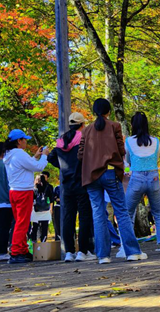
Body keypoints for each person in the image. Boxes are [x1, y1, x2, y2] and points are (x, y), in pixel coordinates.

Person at [79, 98, 146, 263]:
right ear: (108, 111)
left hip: (91, 176)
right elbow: (121, 150)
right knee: (121, 212)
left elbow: (80, 154)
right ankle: (132, 252)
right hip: (110, 172)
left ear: (95, 111)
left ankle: (103, 256)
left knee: (98, 214)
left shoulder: (86, 131)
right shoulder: (114, 126)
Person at [123, 112, 160, 254]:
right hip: (154, 178)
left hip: (136, 178)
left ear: (133, 125)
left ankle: (126, 246)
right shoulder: (155, 141)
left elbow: (127, 161)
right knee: (158, 212)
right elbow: (155, 159)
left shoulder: (129, 141)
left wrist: (128, 170)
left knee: (127, 212)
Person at [48, 112, 96, 262]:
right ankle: (83, 251)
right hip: (82, 183)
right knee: (84, 217)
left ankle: (69, 251)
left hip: (66, 186)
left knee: (68, 218)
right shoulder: (84, 139)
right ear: (82, 125)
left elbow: (50, 157)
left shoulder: (61, 141)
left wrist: (62, 168)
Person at [3, 129, 49, 264]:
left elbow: (27, 165)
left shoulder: (9, 155)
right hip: (24, 192)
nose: (26, 142)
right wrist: (44, 156)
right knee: (22, 223)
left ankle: (22, 249)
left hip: (14, 191)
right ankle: (16, 252)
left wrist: (35, 156)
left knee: (19, 222)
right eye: (24, 139)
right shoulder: (19, 154)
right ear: (19, 141)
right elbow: (38, 167)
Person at [30, 173, 54, 243]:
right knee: (44, 227)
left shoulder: (35, 188)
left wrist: (31, 209)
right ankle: (43, 242)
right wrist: (51, 209)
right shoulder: (49, 187)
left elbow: (32, 200)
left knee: (35, 227)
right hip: (46, 210)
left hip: (36, 210)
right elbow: (51, 200)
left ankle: (34, 242)